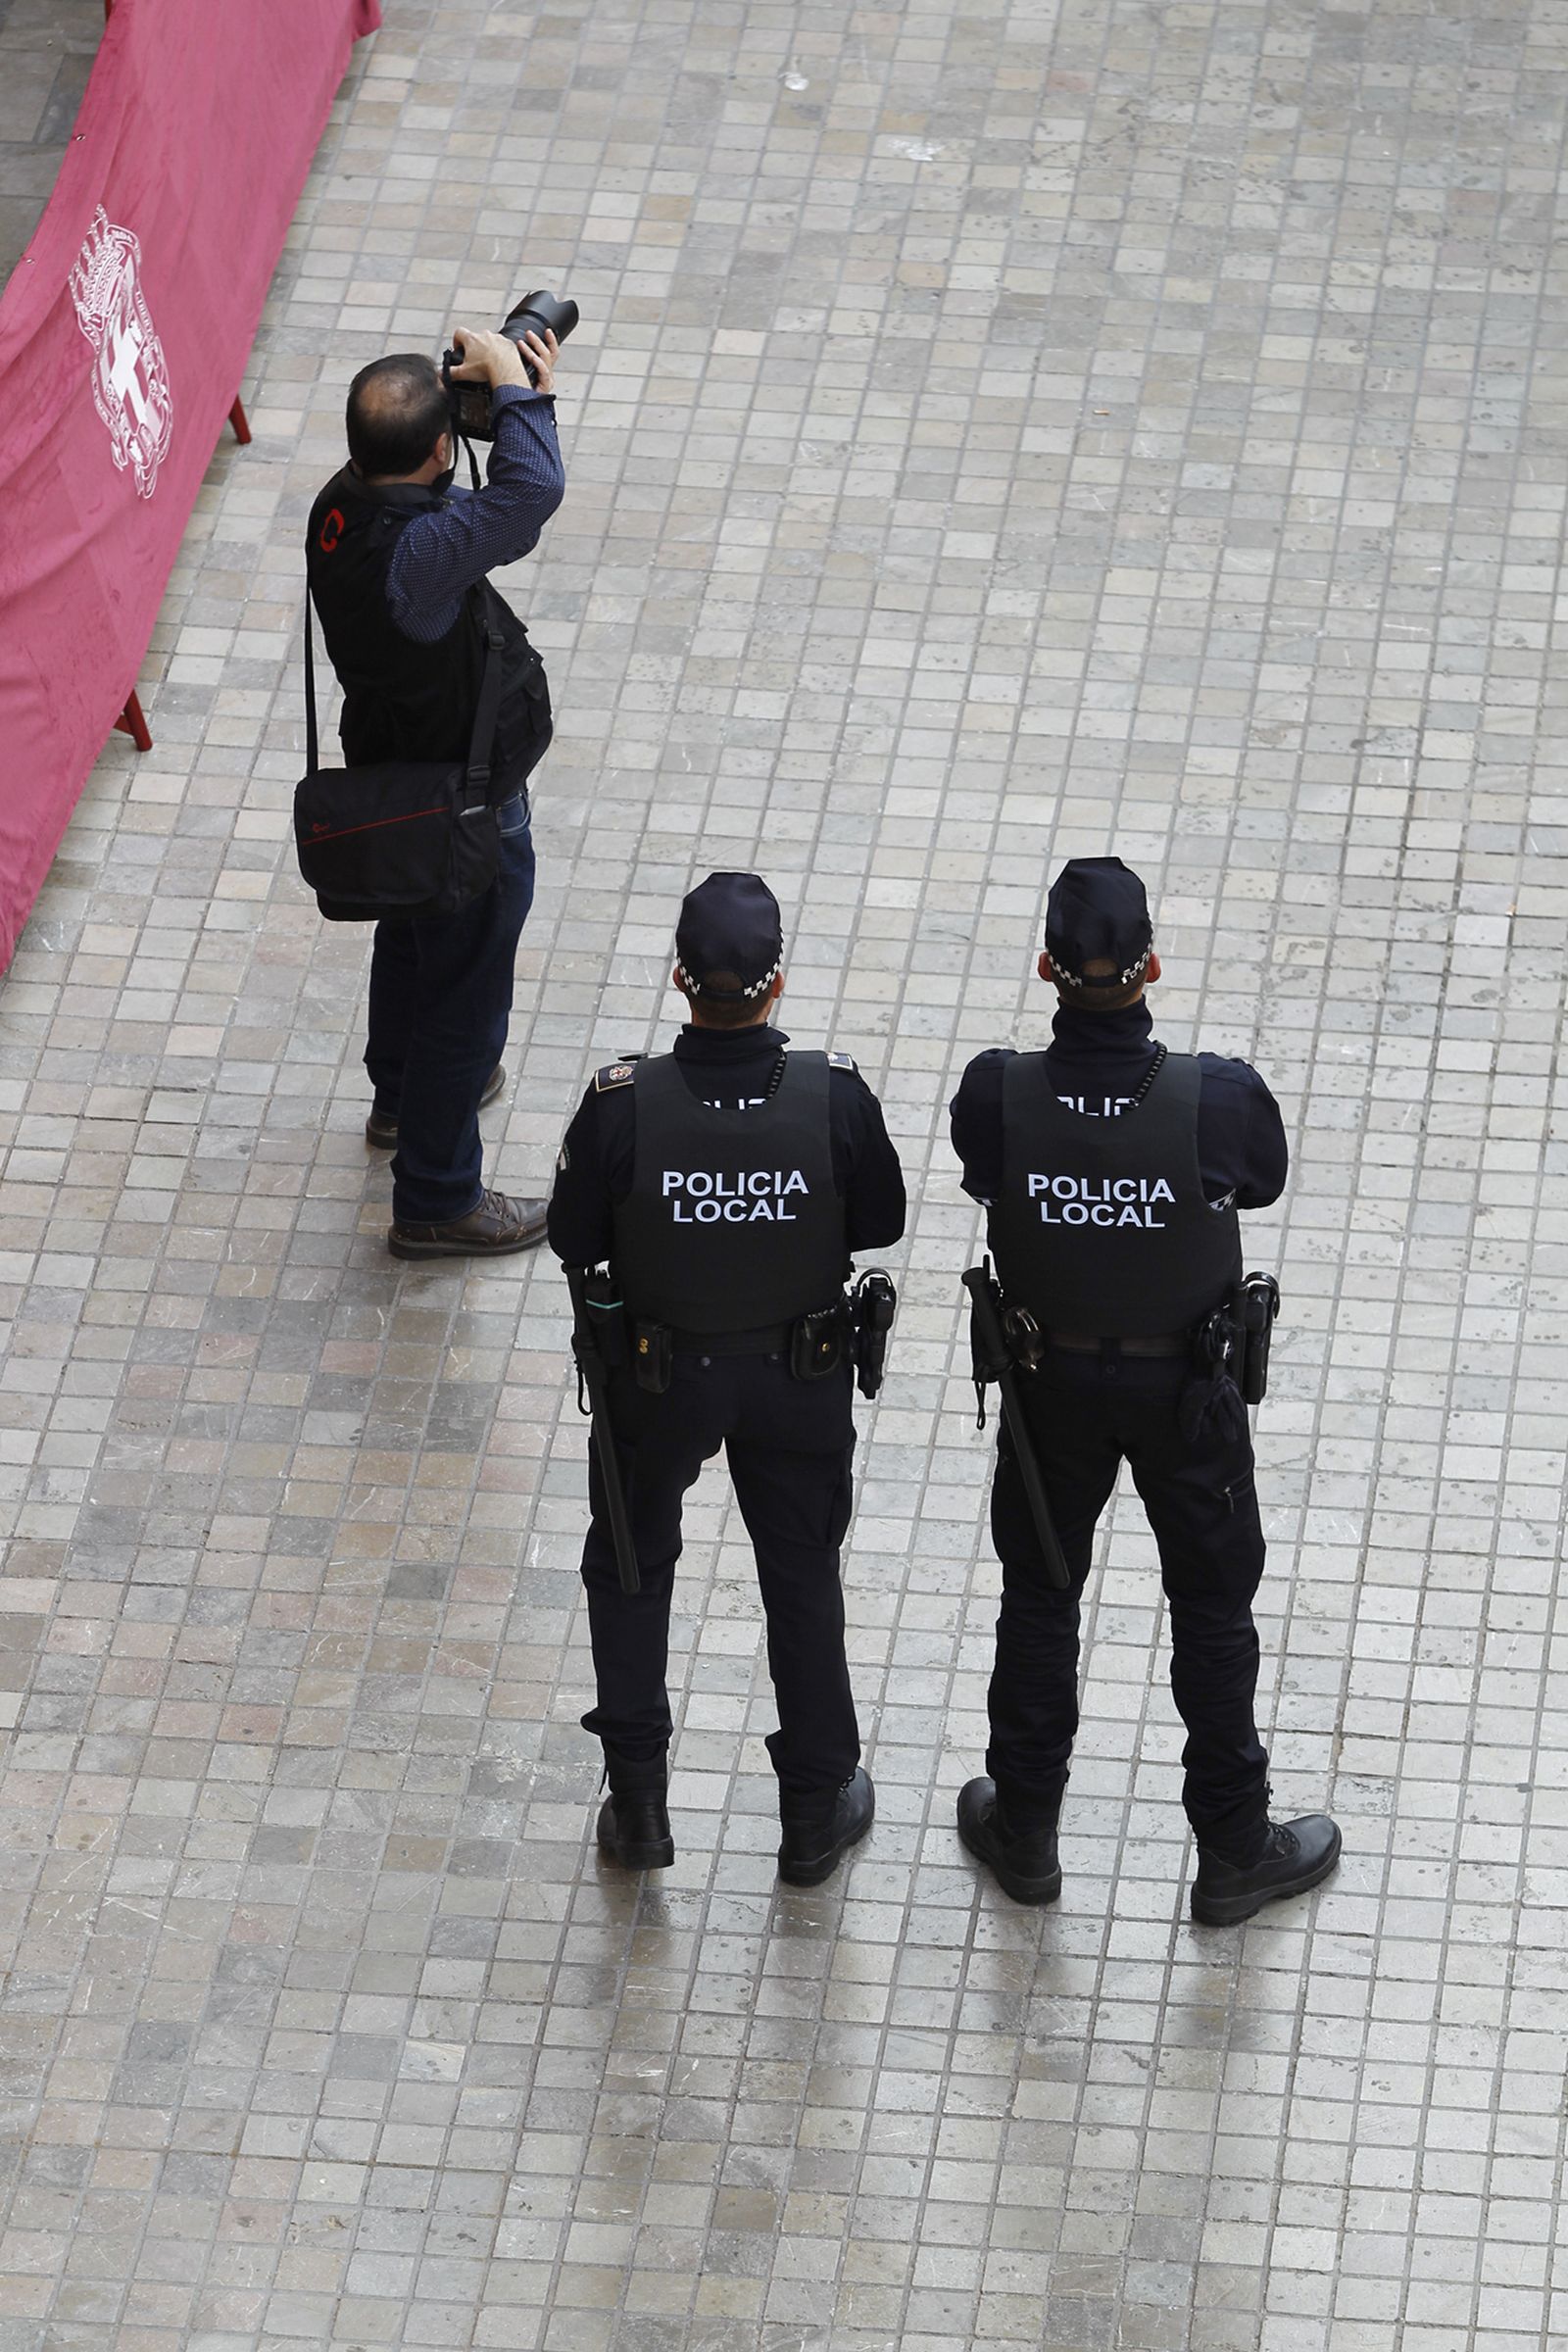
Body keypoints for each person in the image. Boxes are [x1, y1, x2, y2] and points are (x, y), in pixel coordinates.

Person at [949, 857, 1341, 1926]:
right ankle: (1231, 1848)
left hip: (1049, 1387)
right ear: (1151, 963)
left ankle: (1024, 1828)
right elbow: (1258, 1178)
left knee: (1039, 1598)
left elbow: (983, 1169)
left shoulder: (997, 1093)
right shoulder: (1217, 1097)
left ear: (1045, 968)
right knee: (1211, 1612)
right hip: (1188, 1398)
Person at [548, 873, 906, 1886]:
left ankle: (641, 1806)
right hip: (798, 1374)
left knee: (630, 1568)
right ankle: (812, 1812)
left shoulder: (621, 1105)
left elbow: (572, 1236)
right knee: (799, 1574)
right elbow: (879, 1221)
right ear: (776, 983)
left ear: (678, 980)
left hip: (657, 1379)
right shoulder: (832, 1094)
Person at [305, 323, 565, 1259]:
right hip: (463, 798)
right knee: (464, 990)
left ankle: (396, 1098)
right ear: (439, 451)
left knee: (415, 939)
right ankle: (439, 1198)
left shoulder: (340, 504)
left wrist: (487, 397)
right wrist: (520, 399)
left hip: (396, 768)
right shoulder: (422, 559)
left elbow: (438, 476)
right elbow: (532, 495)